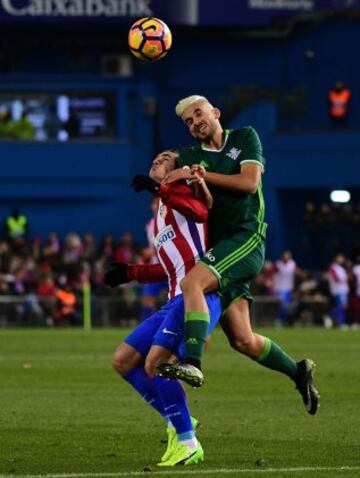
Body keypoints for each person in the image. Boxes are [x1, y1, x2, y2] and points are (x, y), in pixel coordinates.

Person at [156, 95, 319, 415]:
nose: (195, 122)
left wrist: (199, 175)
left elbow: (249, 182)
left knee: (192, 284)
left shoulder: (245, 137)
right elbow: (170, 177)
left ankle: (192, 362)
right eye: (188, 121)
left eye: (198, 114)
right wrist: (165, 172)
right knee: (243, 340)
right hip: (219, 250)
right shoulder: (189, 155)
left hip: (246, 237)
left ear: (215, 113)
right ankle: (298, 371)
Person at [104, 151, 221, 466]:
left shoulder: (181, 192)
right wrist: (130, 273)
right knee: (123, 361)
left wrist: (160, 190)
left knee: (157, 364)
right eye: (155, 157)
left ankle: (187, 441)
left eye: (166, 157)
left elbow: (201, 212)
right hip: (174, 299)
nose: (157, 159)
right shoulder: (158, 216)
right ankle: (180, 420)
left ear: (177, 169)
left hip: (196, 296)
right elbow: (170, 269)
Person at [273, 250, 303, 326]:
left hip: (289, 288)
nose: (286, 257)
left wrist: (302, 273)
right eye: (285, 256)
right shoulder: (278, 264)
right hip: (280, 288)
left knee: (289, 306)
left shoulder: (292, 263)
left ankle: (285, 320)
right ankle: (279, 320)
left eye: (288, 256)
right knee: (284, 305)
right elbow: (272, 274)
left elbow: (296, 271)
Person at [328, 253, 349, 328]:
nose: (342, 260)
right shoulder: (333, 267)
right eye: (340, 258)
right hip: (338, 290)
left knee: (341, 307)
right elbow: (336, 279)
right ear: (336, 258)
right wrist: (346, 279)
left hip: (343, 290)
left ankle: (338, 321)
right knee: (341, 306)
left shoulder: (341, 268)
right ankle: (334, 318)